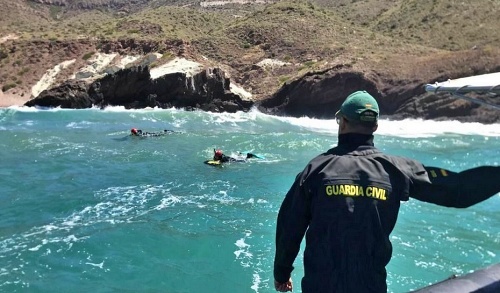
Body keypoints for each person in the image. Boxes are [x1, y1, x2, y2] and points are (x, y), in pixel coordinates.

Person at [273, 90, 500, 293]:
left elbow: (289, 229)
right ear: (375, 126)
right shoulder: (396, 169)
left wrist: (282, 274)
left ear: (342, 122)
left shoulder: (315, 170)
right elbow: (457, 191)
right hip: (370, 286)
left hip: (319, 286)